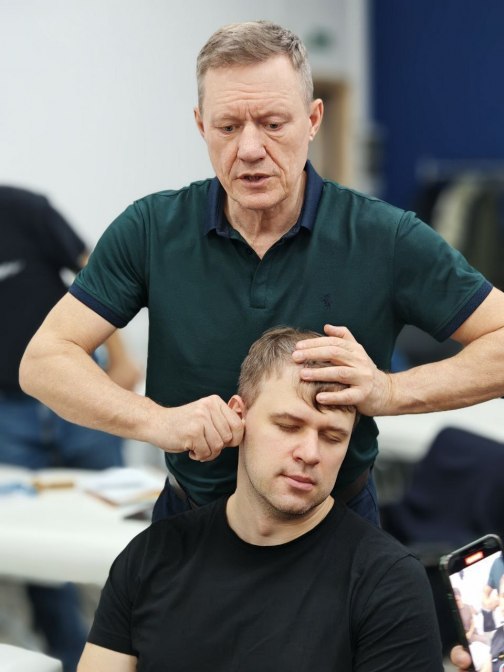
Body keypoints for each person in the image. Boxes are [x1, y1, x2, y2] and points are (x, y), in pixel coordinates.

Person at [18, 20, 504, 528]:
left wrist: (390, 392)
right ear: (201, 125)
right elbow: (44, 361)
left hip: (334, 527)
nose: (250, 149)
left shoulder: (384, 236)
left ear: (312, 120)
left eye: (273, 124)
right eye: (228, 127)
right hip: (192, 521)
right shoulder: (151, 230)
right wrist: (157, 422)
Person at [76, 326, 444, 671]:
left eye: (332, 437)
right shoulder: (152, 556)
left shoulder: (387, 583)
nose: (310, 453)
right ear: (239, 416)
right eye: (288, 426)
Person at [0, 185, 141, 672]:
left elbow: (97, 275)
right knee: (32, 541)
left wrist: (122, 361)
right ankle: (70, 656)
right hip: (9, 411)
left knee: (125, 522)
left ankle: (139, 647)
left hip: (78, 389)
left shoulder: (24, 210)